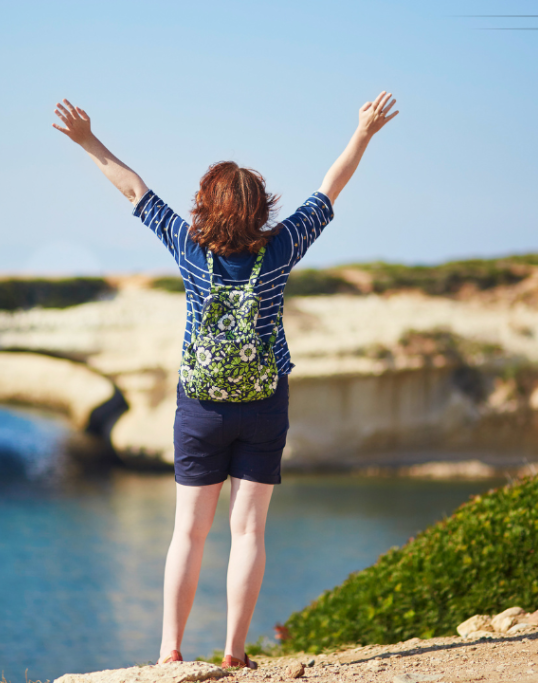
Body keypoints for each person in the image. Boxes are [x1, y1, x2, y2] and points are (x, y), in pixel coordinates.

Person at [52, 91, 398, 669]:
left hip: (200, 409)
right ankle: (235, 653)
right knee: (247, 531)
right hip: (264, 404)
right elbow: (329, 190)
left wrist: (87, 140)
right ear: (260, 207)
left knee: (188, 532)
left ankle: (170, 651)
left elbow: (135, 189)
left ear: (205, 206)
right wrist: (363, 132)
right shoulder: (283, 246)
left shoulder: (189, 248)